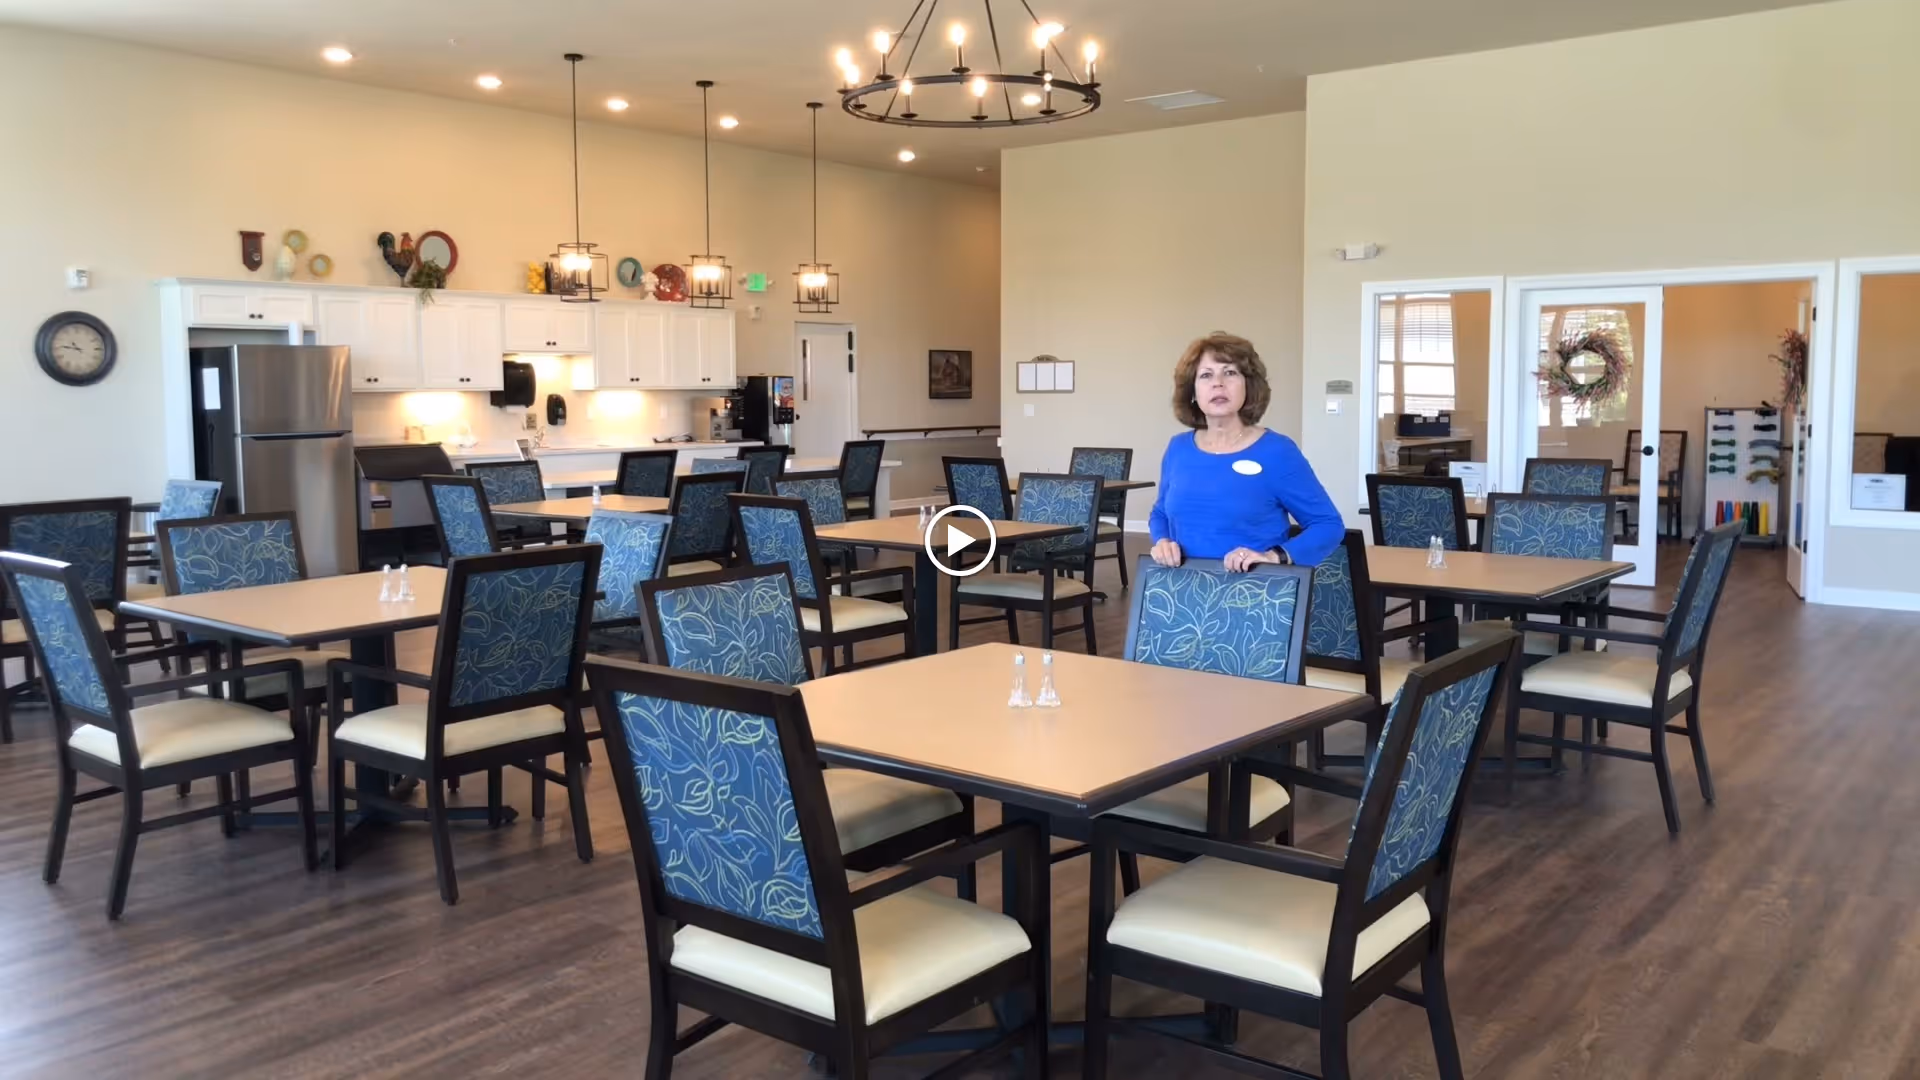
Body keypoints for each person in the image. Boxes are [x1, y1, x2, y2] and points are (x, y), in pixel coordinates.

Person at [1148, 332, 1344, 570]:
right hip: (1184, 593)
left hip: (1253, 594)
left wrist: (1275, 557)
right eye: (1206, 375)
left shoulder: (1277, 451)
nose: (1217, 383)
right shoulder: (1178, 449)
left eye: (1230, 373)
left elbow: (1327, 524)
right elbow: (1160, 513)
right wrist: (1163, 542)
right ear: (1193, 392)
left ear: (1248, 386)